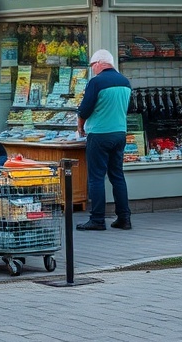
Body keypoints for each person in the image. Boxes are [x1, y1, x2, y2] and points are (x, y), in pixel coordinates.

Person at [75, 49, 133, 231]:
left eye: (93, 65)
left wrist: (80, 126)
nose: (93, 69)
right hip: (119, 133)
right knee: (117, 176)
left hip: (99, 135)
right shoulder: (125, 82)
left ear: (100, 63)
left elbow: (84, 109)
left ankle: (97, 219)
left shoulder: (96, 82)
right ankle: (124, 218)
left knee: (96, 178)